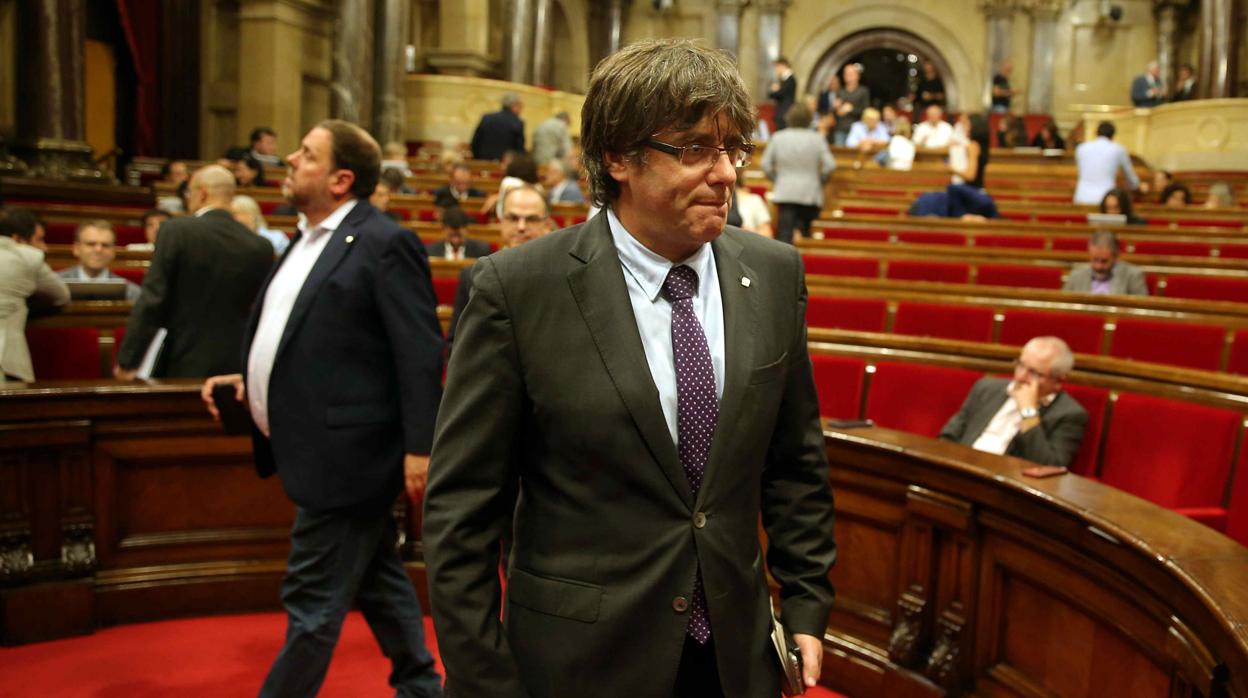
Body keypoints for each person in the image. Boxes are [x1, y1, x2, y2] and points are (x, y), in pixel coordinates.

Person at [424, 38, 837, 697]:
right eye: (695, 150)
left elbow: (795, 464)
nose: (726, 173)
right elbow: (463, 510)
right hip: (579, 664)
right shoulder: (517, 288)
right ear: (618, 156)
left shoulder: (774, 272)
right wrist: (483, 680)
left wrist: (808, 604)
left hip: (733, 659)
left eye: (733, 150)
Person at [199, 120, 445, 698]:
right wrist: (250, 377)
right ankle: (420, 684)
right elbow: (311, 337)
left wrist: (420, 447)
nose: (288, 158)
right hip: (316, 445)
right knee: (377, 578)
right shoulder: (304, 239)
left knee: (311, 603)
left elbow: (417, 352)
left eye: (305, 154)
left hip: (351, 456)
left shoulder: (385, 241)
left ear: (340, 179)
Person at [115, 165, 274, 379]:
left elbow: (153, 299)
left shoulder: (176, 231)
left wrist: (128, 360)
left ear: (201, 194)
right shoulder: (260, 245)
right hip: (238, 364)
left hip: (185, 359)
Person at [940, 337, 1088, 468]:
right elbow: (949, 436)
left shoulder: (1070, 414)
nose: (1021, 377)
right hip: (961, 469)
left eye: (1034, 373)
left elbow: (1049, 466)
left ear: (1058, 380)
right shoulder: (986, 388)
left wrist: (1028, 411)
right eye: (1021, 365)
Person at [446, 185, 552, 346]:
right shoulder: (472, 276)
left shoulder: (560, 275)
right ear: (501, 222)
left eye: (531, 219)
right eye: (513, 218)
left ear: (547, 225)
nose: (521, 227)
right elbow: (457, 342)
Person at [0, 208, 70, 382]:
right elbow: (61, 296)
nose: (44, 247)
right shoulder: (27, 256)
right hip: (6, 360)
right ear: (18, 239)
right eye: (39, 240)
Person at [763, 102, 836, 243]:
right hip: (810, 194)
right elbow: (830, 165)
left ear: (789, 117)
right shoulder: (817, 139)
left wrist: (777, 179)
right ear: (809, 119)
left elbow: (765, 164)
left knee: (784, 237)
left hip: (785, 192)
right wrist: (820, 181)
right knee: (806, 237)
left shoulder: (778, 137)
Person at [56, 220, 142, 301]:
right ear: (76, 249)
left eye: (105, 245)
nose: (98, 250)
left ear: (113, 251)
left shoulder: (132, 293)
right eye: (91, 244)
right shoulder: (54, 286)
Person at [1062, 230, 1148, 295]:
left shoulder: (1133, 276)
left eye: (1104, 261)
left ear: (1115, 256)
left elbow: (1141, 312)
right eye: (1095, 260)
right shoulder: (1076, 275)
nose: (1099, 266)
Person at [1073, 121, 1139, 205]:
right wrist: (1137, 186)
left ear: (1096, 133)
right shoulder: (1118, 149)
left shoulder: (1081, 148)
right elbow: (1130, 177)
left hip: (1082, 196)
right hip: (1107, 199)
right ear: (1113, 136)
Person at [470, 93, 526, 161]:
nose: (521, 109)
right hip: (504, 165)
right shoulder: (517, 122)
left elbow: (475, 143)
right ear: (514, 105)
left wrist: (477, 158)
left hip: (482, 162)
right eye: (520, 106)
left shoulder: (487, 118)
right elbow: (519, 150)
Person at [950, 113, 990, 189]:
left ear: (974, 127)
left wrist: (952, 169)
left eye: (967, 125)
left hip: (971, 191)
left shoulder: (973, 146)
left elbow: (970, 175)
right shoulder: (981, 144)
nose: (964, 128)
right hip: (978, 188)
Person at [832, 63, 869, 146]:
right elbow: (835, 112)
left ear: (857, 76)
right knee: (840, 153)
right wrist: (836, 108)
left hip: (857, 130)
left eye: (851, 74)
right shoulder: (840, 91)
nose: (848, 76)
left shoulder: (863, 91)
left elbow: (865, 110)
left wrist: (850, 109)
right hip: (841, 129)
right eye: (846, 74)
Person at [767, 57, 797, 131]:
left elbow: (779, 94)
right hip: (783, 113)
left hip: (784, 114)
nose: (776, 69)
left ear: (782, 65)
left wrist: (774, 90)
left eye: (777, 67)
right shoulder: (786, 80)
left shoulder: (790, 79)